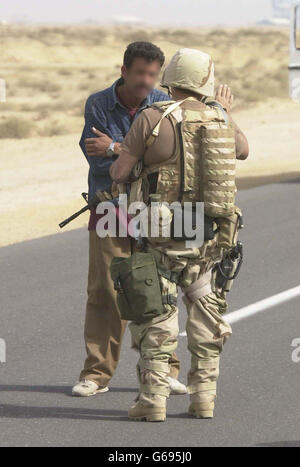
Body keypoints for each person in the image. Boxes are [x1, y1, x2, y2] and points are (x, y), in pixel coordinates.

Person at [110, 48, 249, 421]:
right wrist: (226, 112)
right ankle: (204, 396)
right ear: (205, 80)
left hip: (161, 232)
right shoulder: (218, 117)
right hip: (207, 235)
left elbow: (119, 173)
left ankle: (153, 400)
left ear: (170, 78)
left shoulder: (152, 118)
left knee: (156, 311)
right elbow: (243, 150)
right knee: (205, 308)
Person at [72, 42, 187, 397]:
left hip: (155, 209)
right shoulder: (98, 104)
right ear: (124, 71)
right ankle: (96, 374)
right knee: (104, 290)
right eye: (140, 73)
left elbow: (166, 161)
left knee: (159, 287)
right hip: (109, 206)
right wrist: (131, 154)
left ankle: (165, 369)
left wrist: (116, 146)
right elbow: (104, 167)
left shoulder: (162, 104)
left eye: (153, 75)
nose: (147, 81)